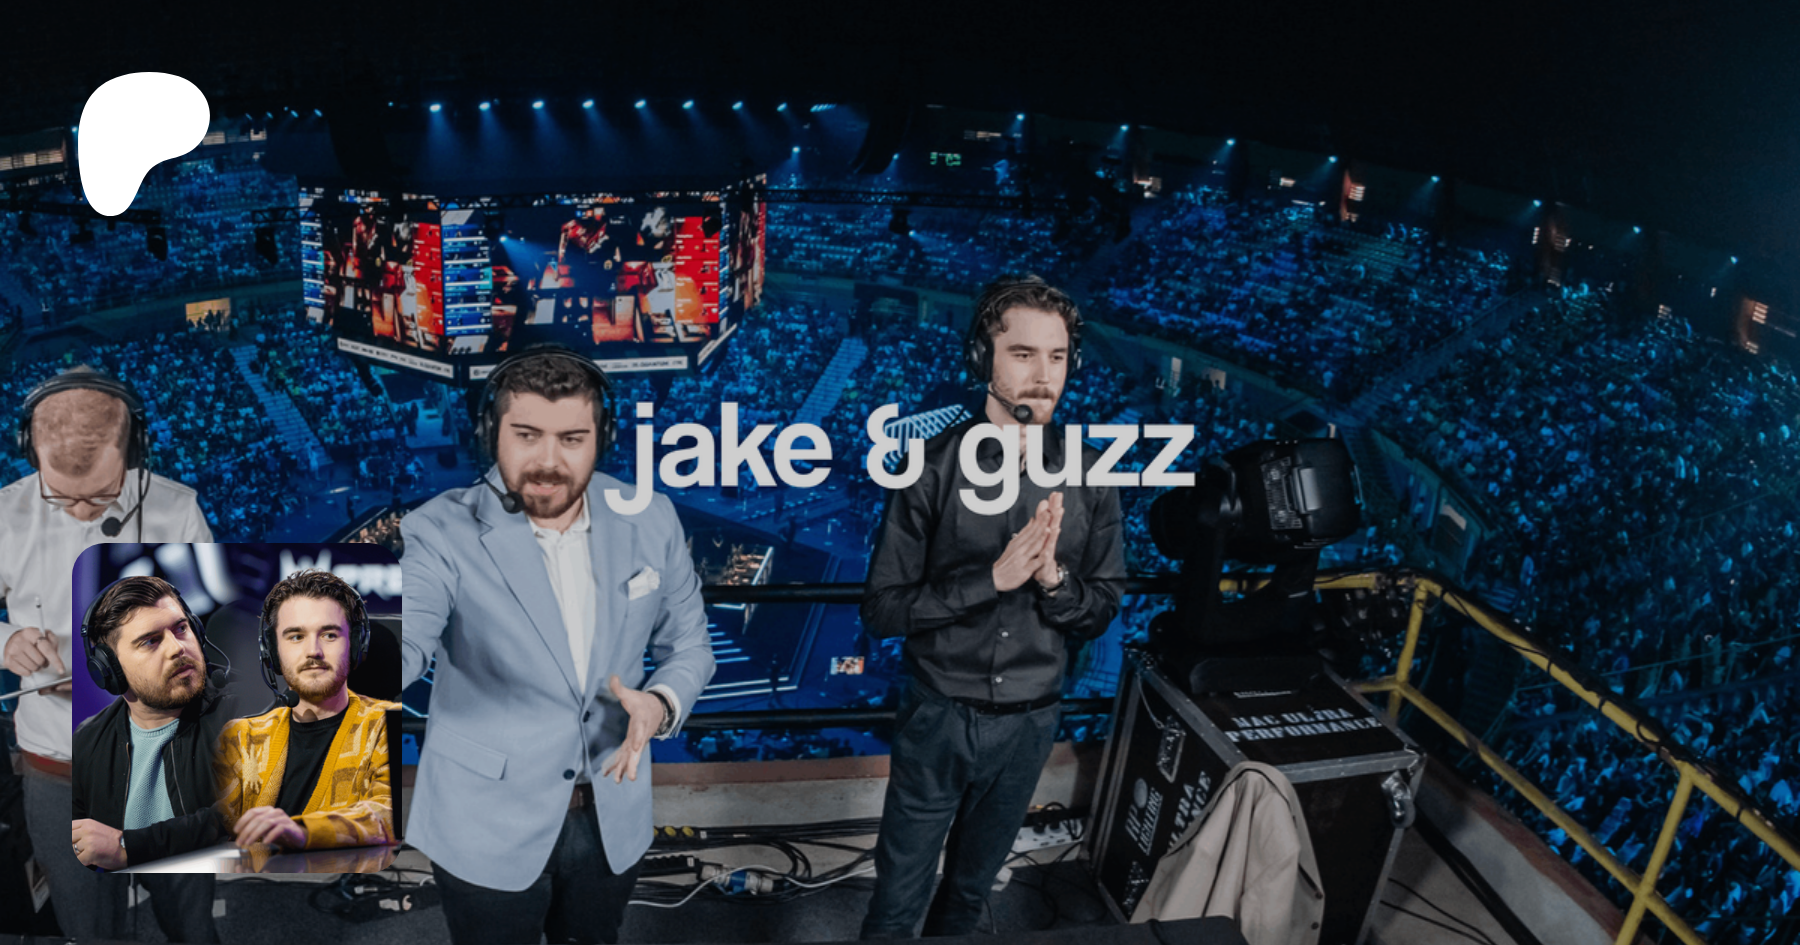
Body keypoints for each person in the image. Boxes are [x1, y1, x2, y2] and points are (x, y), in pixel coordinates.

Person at [401, 345, 715, 945]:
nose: (548, 461)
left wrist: (661, 703)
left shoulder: (652, 518)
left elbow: (690, 647)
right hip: (485, 821)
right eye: (526, 435)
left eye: (572, 439)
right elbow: (408, 632)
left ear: (603, 439)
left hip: (610, 816)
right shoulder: (438, 528)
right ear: (490, 434)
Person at [860, 274, 1126, 938]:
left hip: (1030, 724)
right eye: (1023, 353)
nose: (1043, 374)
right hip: (938, 716)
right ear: (983, 357)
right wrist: (993, 578)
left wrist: (1053, 579)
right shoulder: (929, 467)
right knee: (898, 897)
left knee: (971, 893)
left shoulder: (1093, 475)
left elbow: (1101, 608)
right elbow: (883, 610)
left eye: (1057, 356)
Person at [0, 368, 213, 939]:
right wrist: (7, 641)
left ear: (133, 450)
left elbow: (214, 627)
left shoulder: (178, 510)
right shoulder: (4, 514)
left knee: (191, 923)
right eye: (61, 495)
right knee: (89, 928)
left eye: (99, 494)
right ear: (31, 454)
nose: (80, 511)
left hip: (169, 759)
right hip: (57, 765)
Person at [68, 576, 234, 943]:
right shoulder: (89, 739)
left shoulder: (242, 716)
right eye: (150, 641)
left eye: (181, 629)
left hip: (183, 859)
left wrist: (129, 846)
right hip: (115, 858)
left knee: (191, 929)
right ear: (109, 670)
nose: (177, 648)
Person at [213, 569, 397, 850]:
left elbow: (388, 814)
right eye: (296, 636)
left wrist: (303, 831)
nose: (314, 651)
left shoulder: (389, 724)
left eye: (330, 635)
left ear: (355, 645)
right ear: (272, 652)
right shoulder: (239, 738)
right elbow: (210, 825)